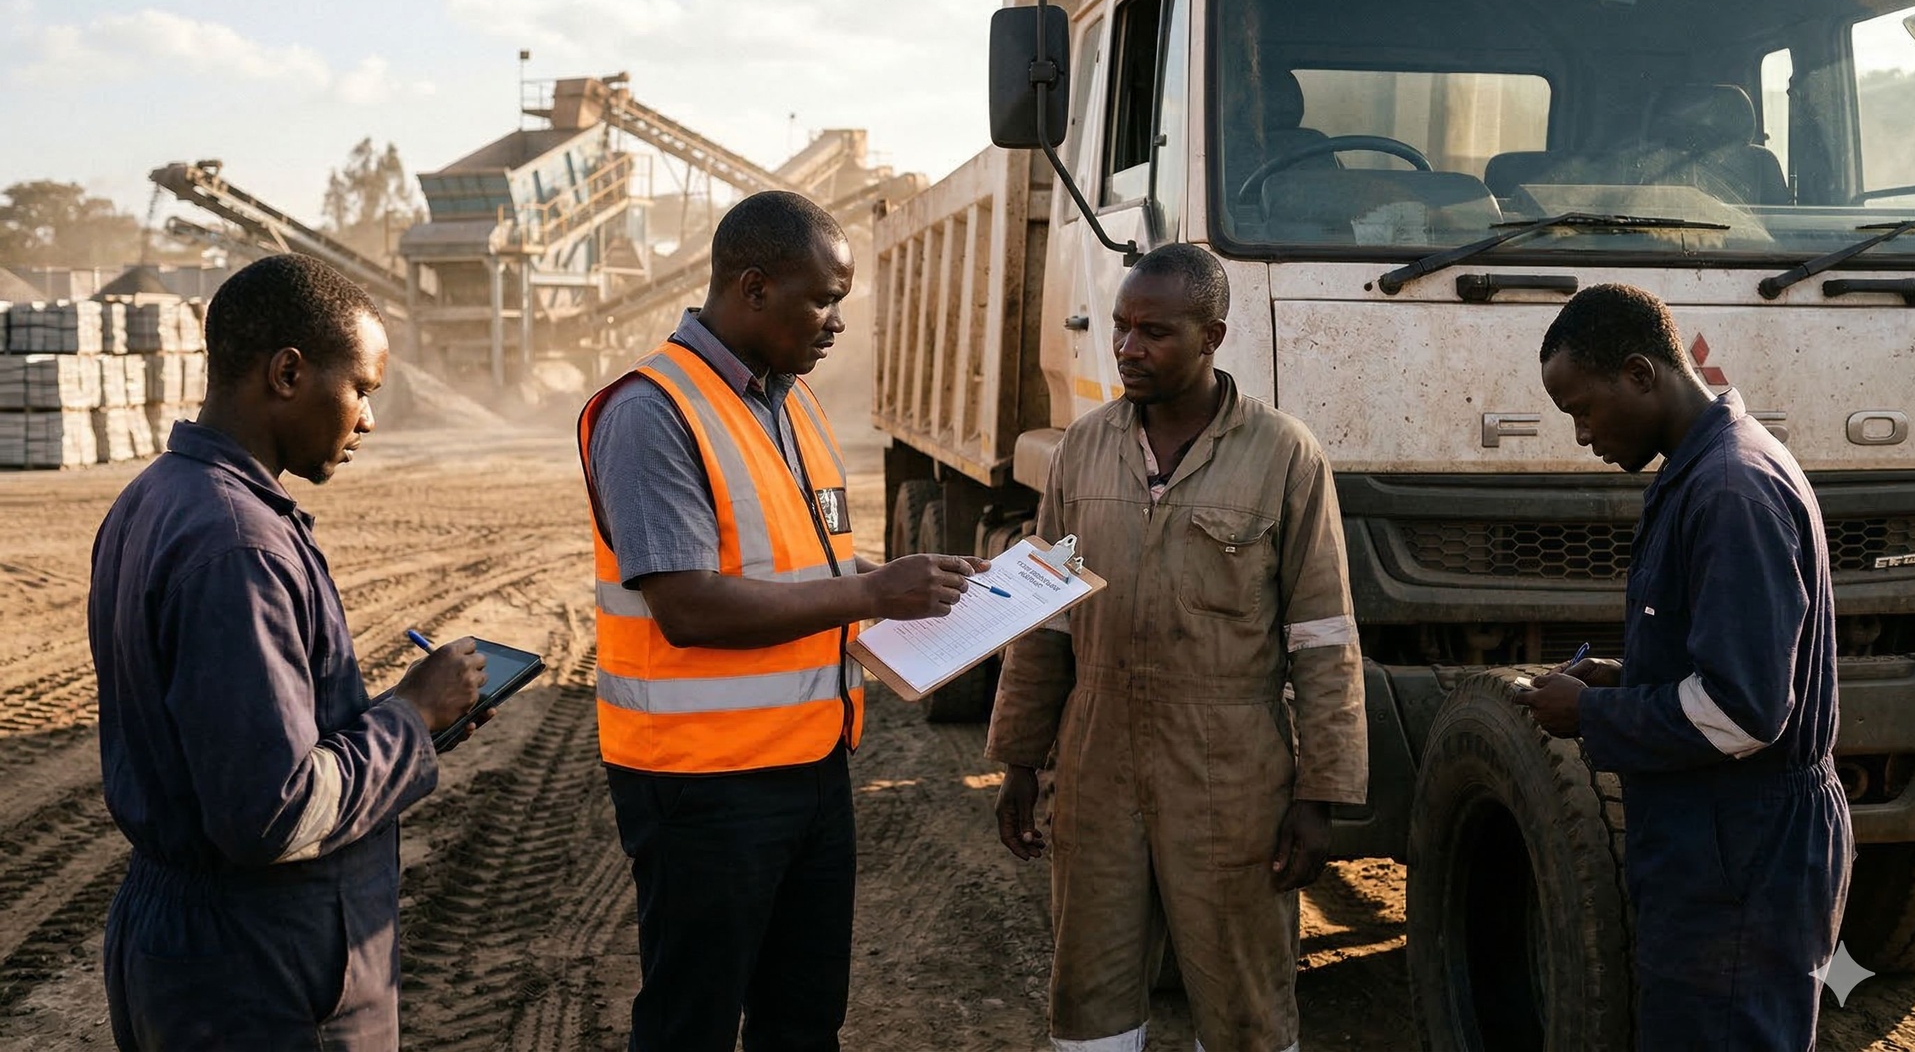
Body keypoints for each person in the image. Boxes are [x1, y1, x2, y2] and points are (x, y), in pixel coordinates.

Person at [576, 190, 986, 1052]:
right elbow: (687, 606)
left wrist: (917, 585)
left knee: (802, 1020)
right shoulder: (652, 411)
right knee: (692, 1022)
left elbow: (805, 568)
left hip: (809, 765)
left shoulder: (790, 401)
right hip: (703, 787)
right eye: (824, 299)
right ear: (753, 288)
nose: (838, 323)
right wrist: (872, 596)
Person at [88, 253, 488, 1049]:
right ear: (288, 373)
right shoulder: (239, 544)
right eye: (363, 391)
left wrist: (398, 721)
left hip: (187, 945)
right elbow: (270, 811)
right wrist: (408, 717)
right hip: (259, 968)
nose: (369, 420)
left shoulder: (155, 498)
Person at [987, 243, 1368, 1052]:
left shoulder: (1283, 455)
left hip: (1230, 768)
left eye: (1154, 332)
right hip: (1096, 760)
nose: (1128, 349)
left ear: (1212, 336)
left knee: (1243, 1002)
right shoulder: (1082, 451)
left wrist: (1320, 795)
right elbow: (1043, 617)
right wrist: (1020, 758)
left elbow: (1324, 636)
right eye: (1122, 328)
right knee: (1090, 988)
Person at [1515, 283, 1850, 1050]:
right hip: (1725, 835)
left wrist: (1591, 714)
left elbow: (1742, 712)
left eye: (1583, 408)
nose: (1580, 434)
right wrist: (1629, 678)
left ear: (1639, 373)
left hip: (1743, 845)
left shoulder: (1731, 489)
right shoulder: (1708, 470)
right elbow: (1734, 662)